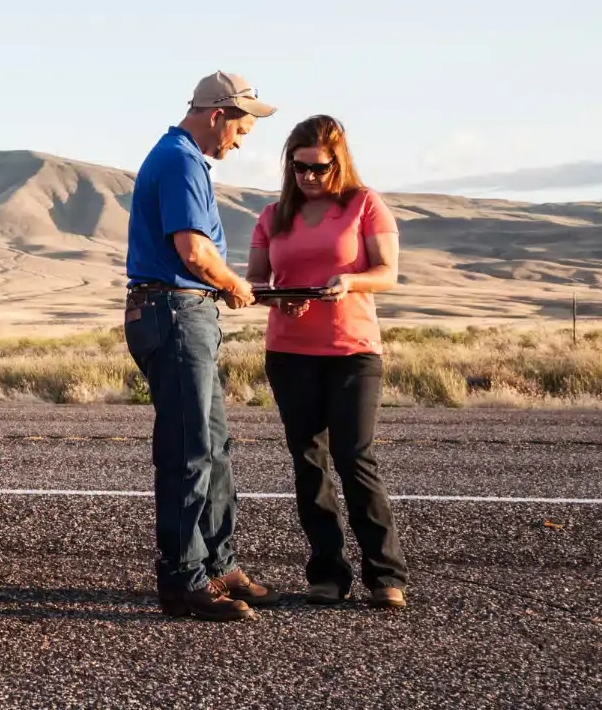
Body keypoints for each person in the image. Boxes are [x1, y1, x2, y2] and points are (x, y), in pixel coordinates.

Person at [125, 71, 279, 621]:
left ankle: (218, 564)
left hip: (182, 312)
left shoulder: (182, 158)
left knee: (213, 446)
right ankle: (184, 580)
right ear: (217, 113)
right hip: (175, 312)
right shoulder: (182, 160)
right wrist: (235, 284)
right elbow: (193, 251)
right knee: (189, 450)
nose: (242, 139)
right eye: (241, 126)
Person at [247, 114, 409, 609]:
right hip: (290, 353)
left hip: (353, 351)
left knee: (354, 456)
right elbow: (255, 283)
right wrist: (279, 299)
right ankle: (327, 573)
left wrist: (349, 281)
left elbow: (387, 272)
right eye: (299, 168)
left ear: (339, 163)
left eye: (318, 169)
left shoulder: (364, 205)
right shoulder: (273, 216)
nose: (309, 178)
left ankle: (385, 575)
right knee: (308, 462)